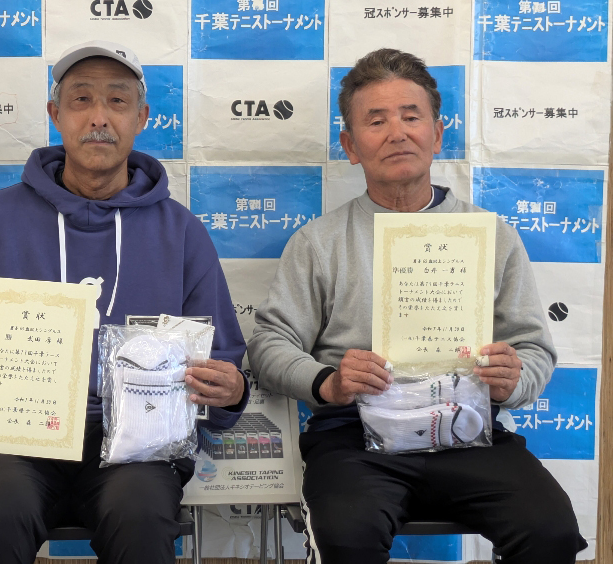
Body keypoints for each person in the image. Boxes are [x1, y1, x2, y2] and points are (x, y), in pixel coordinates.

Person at [0, 40, 248, 564]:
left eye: (117, 101)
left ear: (141, 118)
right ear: (55, 115)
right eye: (81, 99)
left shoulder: (181, 232)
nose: (98, 118)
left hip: (136, 442)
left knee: (140, 513)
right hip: (13, 436)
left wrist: (228, 390)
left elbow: (221, 357)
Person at [247, 48, 587, 564]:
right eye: (376, 121)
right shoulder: (319, 242)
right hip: (353, 437)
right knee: (347, 537)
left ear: (437, 133)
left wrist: (512, 378)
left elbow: (533, 347)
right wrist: (328, 382)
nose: (397, 133)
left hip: (469, 431)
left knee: (551, 530)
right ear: (350, 145)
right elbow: (269, 344)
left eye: (411, 116)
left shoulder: (490, 235)